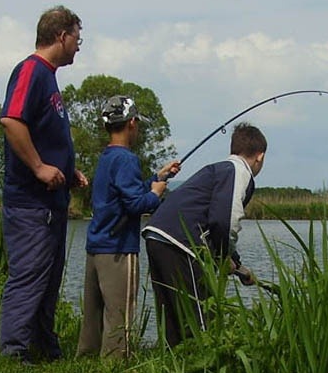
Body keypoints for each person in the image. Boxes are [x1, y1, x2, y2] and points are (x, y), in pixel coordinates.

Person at [0, 5, 89, 364]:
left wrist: (69, 169)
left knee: (49, 278)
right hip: (30, 203)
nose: (78, 47)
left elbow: (43, 132)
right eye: (77, 40)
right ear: (61, 36)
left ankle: (44, 347)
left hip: (51, 202)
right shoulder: (30, 71)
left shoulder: (48, 77)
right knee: (29, 276)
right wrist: (38, 167)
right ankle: (13, 355)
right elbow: (11, 120)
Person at [143, 122, 266, 348]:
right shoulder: (239, 171)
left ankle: (172, 370)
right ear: (260, 156)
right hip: (181, 241)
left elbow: (213, 222)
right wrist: (221, 257)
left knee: (171, 315)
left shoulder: (218, 169)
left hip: (156, 234)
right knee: (199, 315)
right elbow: (225, 219)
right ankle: (202, 370)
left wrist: (236, 264)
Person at [77, 95, 181, 358]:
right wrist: (156, 194)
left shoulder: (108, 157)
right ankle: (114, 372)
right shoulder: (127, 159)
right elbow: (137, 205)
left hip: (97, 246)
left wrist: (157, 178)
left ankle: (86, 360)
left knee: (94, 314)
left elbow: (124, 194)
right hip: (119, 250)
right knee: (120, 314)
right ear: (132, 123)